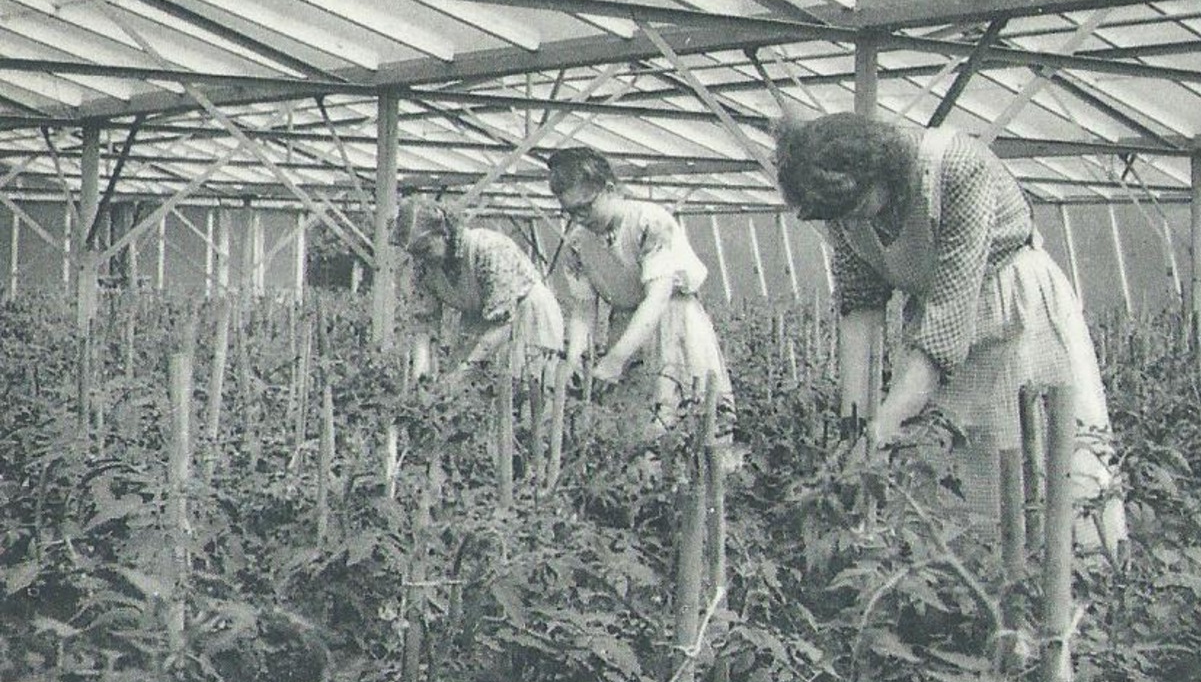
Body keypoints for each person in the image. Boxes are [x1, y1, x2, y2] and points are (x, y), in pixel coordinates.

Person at [774, 112, 1126, 553]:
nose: (848, 222)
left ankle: (1058, 584)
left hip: (1013, 309)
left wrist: (884, 427)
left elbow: (946, 327)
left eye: (855, 206)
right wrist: (857, 425)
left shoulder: (958, 169)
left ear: (880, 173)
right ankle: (964, 594)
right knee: (951, 471)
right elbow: (860, 309)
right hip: (934, 324)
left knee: (1029, 461)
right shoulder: (844, 211)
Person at [547, 147, 737, 448]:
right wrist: (572, 359)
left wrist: (616, 359)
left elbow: (656, 299)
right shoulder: (577, 242)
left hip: (673, 324)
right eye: (570, 211)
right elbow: (584, 308)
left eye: (585, 207)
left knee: (685, 418)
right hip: (625, 326)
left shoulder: (649, 221)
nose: (579, 218)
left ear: (609, 189)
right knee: (634, 431)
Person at [392, 195, 565, 386]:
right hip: (480, 321)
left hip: (527, 317)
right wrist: (420, 373)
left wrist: (464, 371)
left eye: (425, 249)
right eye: (415, 253)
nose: (421, 258)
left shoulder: (487, 249)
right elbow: (424, 322)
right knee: (470, 393)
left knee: (526, 390)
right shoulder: (424, 266)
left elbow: (502, 322)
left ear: (443, 233)